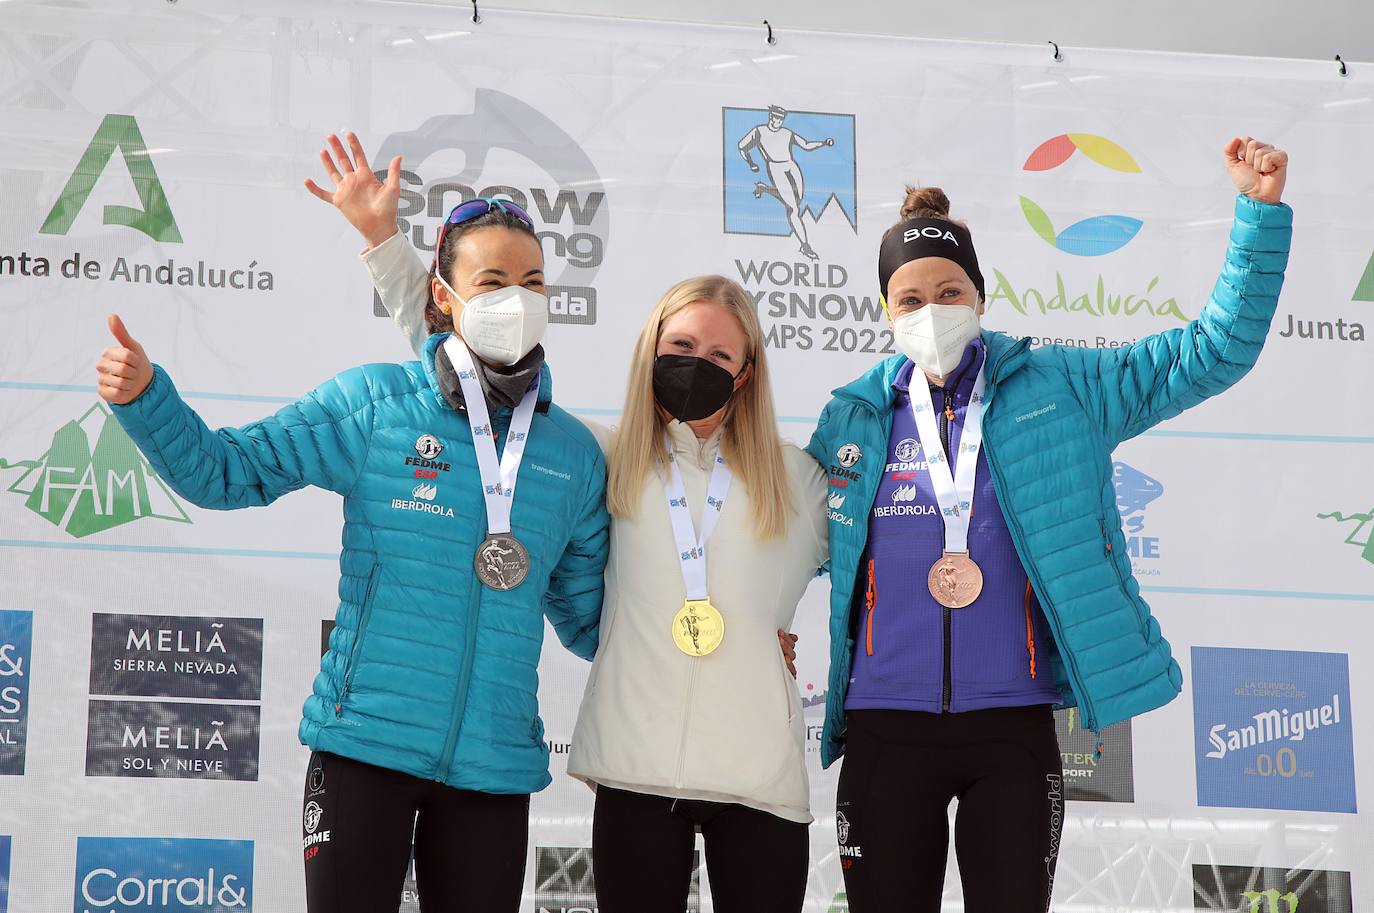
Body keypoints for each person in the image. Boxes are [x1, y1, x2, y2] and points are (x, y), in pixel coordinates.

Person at [308, 134, 829, 913]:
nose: (699, 363)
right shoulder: (595, 458)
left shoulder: (800, 482)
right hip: (634, 771)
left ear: (748, 371)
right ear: (649, 350)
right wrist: (386, 246)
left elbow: (894, 540)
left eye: (720, 354)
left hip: (760, 781)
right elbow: (460, 359)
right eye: (680, 346)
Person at [805, 136, 1291, 912]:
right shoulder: (852, 417)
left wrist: (1257, 215)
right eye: (910, 299)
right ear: (886, 312)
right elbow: (786, 537)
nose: (932, 312)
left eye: (950, 291)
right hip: (884, 732)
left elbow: (1211, 353)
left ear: (981, 295)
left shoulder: (1064, 385)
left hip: (1013, 731)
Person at [94, 188, 610, 913]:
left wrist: (733, 638)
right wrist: (148, 398)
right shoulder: (375, 405)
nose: (517, 300)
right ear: (444, 293)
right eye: (493, 282)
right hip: (364, 748)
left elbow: (597, 624)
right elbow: (226, 472)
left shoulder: (573, 456)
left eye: (533, 283)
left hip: (494, 768)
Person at [738, 105, 835, 261]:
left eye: (781, 119)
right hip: (775, 168)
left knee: (796, 203)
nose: (777, 121)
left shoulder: (787, 133)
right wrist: (751, 163)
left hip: (792, 166)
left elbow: (806, 145)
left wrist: (823, 143)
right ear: (770, 117)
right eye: (775, 117)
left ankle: (764, 188)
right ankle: (805, 246)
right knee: (793, 209)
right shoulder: (759, 131)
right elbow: (742, 147)